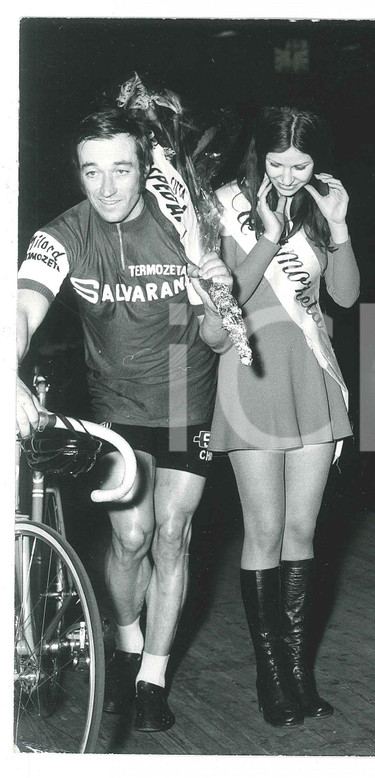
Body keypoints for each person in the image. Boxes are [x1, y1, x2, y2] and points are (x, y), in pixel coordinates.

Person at [16, 108, 233, 732]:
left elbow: (220, 339)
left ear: (145, 169)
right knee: (130, 538)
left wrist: (215, 292)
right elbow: (23, 310)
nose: (107, 187)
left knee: (172, 536)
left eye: (121, 170)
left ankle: (153, 675)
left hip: (188, 404)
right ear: (78, 175)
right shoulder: (61, 235)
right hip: (116, 410)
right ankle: (127, 640)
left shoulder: (184, 227)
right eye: (92, 171)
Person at [208, 107, 359, 726]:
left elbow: (345, 297)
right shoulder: (223, 211)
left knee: (303, 533)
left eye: (303, 165)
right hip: (253, 379)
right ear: (257, 157)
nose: (291, 176)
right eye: (278, 164)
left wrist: (340, 226)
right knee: (264, 532)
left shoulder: (318, 210)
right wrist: (267, 235)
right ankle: (272, 678)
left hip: (313, 380)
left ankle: (299, 672)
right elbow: (219, 320)